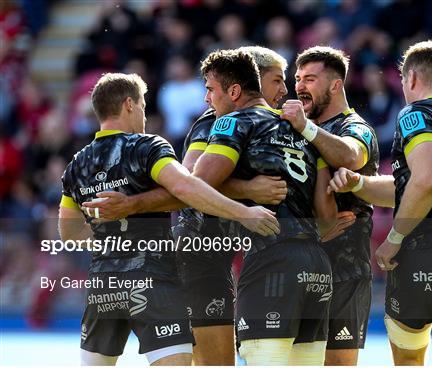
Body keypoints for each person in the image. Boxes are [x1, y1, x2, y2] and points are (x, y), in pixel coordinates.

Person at [81, 46, 290, 365]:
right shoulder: (213, 123)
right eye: (277, 80)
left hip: (227, 254)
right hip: (199, 252)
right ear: (253, 83)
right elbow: (190, 181)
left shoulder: (269, 124)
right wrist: (247, 191)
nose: (285, 90)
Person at [328, 40, 432, 366]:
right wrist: (359, 183)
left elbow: (426, 180)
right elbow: (416, 187)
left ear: (413, 79)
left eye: (403, 81)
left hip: (425, 255)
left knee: (408, 361)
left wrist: (395, 238)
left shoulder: (415, 114)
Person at [195, 49, 336, 365]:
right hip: (316, 266)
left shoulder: (234, 122)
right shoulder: (305, 131)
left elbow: (195, 186)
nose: (207, 99)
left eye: (210, 89)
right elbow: (327, 219)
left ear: (234, 92)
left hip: (271, 262)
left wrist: (244, 192)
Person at [280, 46, 379, 365]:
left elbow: (351, 156)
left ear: (336, 85)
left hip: (344, 270)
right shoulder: (292, 131)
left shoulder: (356, 127)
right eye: (297, 78)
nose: (299, 86)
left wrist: (306, 128)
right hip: (294, 267)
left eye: (310, 79)